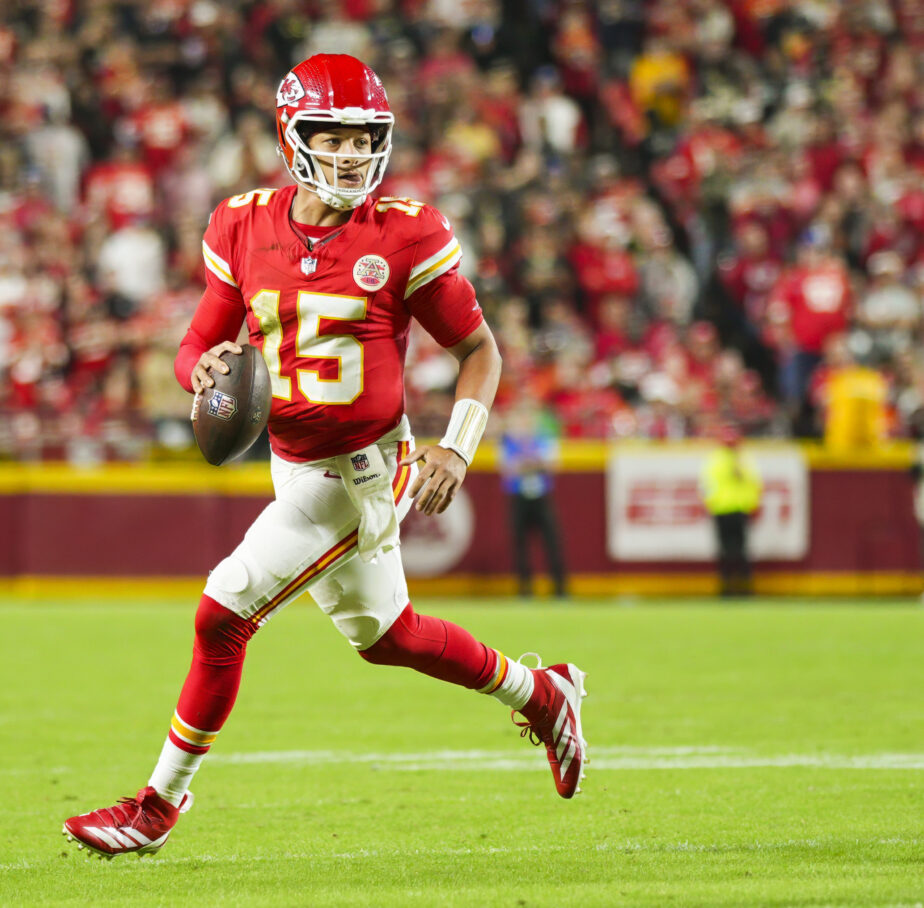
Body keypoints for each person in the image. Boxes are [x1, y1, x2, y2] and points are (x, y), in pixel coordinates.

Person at [63, 55, 589, 860]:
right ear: (291, 134)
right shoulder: (241, 222)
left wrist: (458, 445)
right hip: (291, 461)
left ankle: (155, 807)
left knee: (223, 612)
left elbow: (480, 351)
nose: (348, 154)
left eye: (362, 137)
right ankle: (542, 692)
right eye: (330, 135)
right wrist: (196, 372)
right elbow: (200, 342)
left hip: (362, 473)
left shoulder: (409, 232)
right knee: (388, 636)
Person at [500, 400, 568, 597]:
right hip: (518, 497)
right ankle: (525, 589)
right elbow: (509, 469)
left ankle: (559, 589)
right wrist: (535, 463)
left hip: (541, 497)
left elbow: (553, 465)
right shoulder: (509, 442)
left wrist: (526, 463)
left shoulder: (543, 440)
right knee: (520, 545)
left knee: (552, 542)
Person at [699, 424, 762, 597]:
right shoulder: (718, 459)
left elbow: (753, 484)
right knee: (725, 551)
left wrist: (753, 504)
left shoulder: (743, 459)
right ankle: (727, 587)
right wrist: (710, 503)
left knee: (741, 551)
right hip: (722, 510)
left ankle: (744, 587)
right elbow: (707, 485)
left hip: (739, 509)